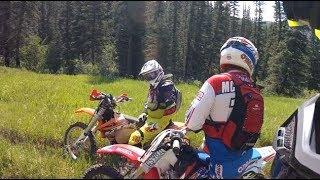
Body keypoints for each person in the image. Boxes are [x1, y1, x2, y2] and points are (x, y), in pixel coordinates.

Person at [184, 37, 264, 178]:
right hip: (241, 153)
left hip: (217, 156)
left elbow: (192, 123)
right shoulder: (255, 90)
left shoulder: (216, 82)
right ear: (248, 60)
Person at [128, 59, 182, 148]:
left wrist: (165, 100)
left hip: (161, 121)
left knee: (135, 137)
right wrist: (144, 113)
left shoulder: (166, 87)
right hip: (151, 118)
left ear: (159, 72)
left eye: (151, 74)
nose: (149, 78)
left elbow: (171, 109)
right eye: (147, 76)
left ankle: (135, 161)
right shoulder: (153, 87)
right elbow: (149, 102)